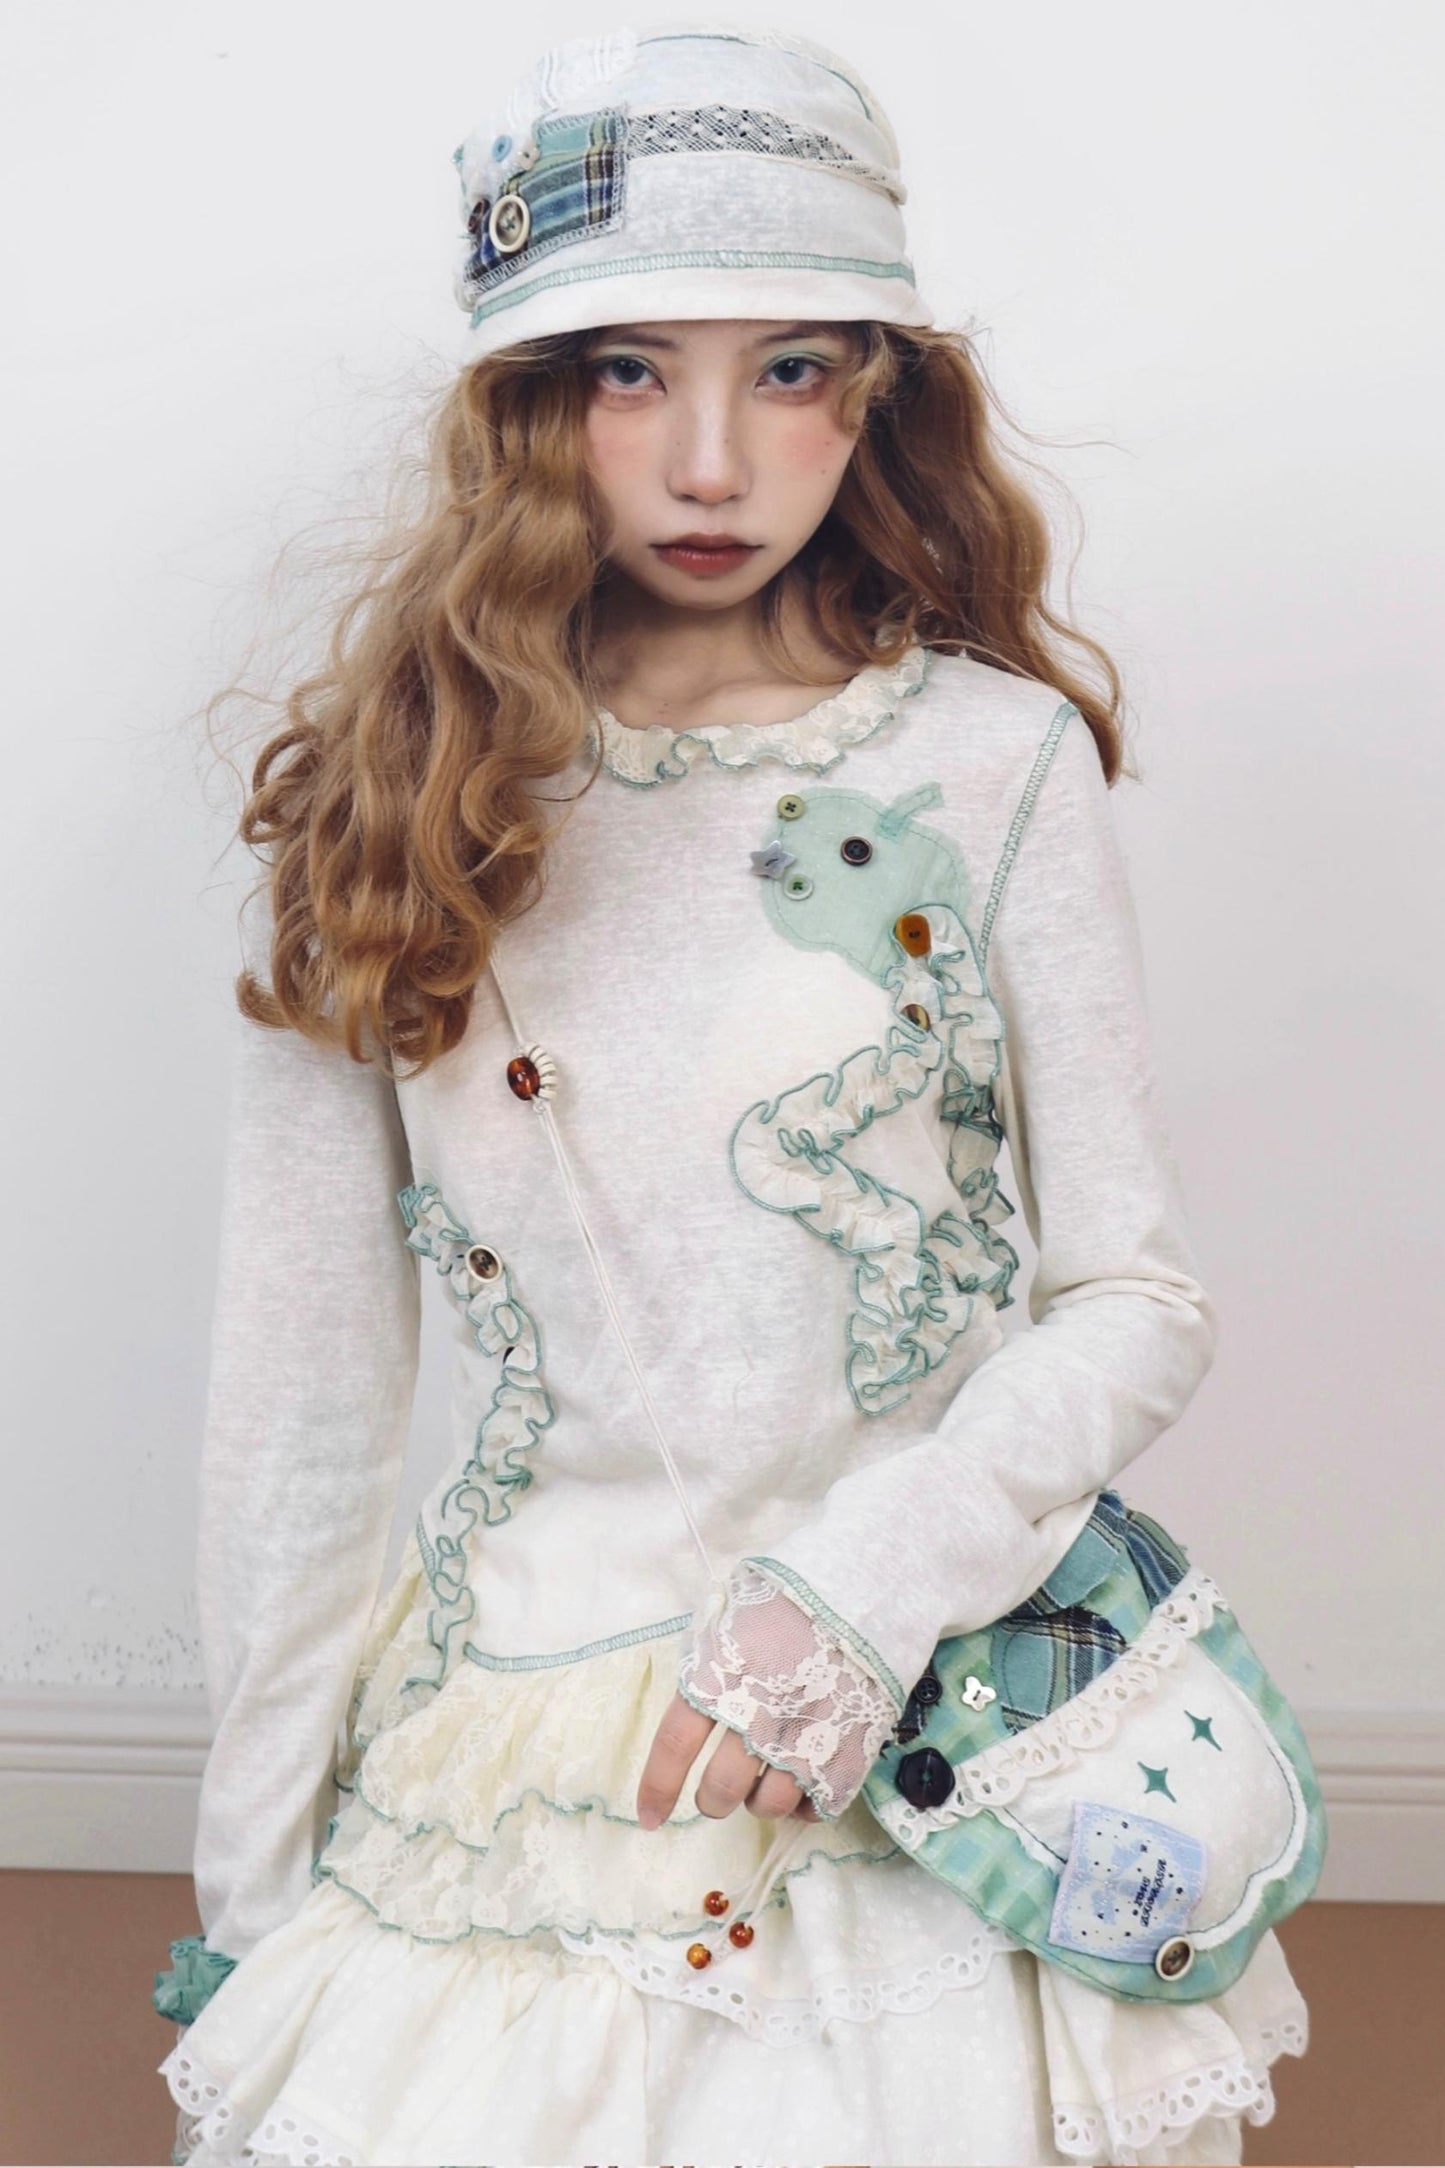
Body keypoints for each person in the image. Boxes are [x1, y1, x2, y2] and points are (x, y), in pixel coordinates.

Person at [152, 23, 1312, 2167]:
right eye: (628, 372)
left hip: (920, 1729)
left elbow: (1132, 1298)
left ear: (873, 395)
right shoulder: (394, 808)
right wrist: (254, 1905)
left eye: (788, 370)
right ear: (525, 403)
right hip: (521, 1783)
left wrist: (862, 1586)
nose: (709, 465)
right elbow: (300, 1431)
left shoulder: (987, 763)